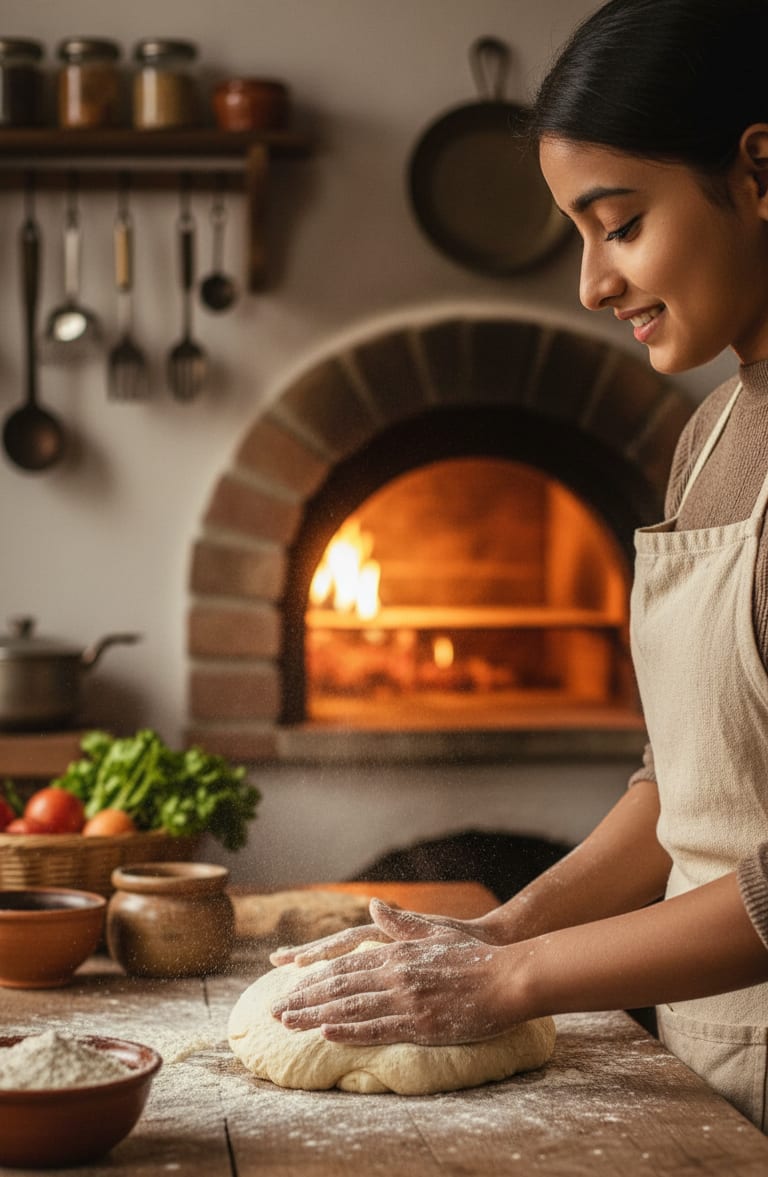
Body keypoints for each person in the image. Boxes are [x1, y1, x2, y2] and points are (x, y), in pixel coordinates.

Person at [269, 0, 768, 1130]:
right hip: (712, 1069)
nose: (591, 284)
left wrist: (512, 981)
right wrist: (504, 926)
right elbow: (684, 787)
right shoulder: (711, 436)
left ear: (757, 172)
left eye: (620, 223)